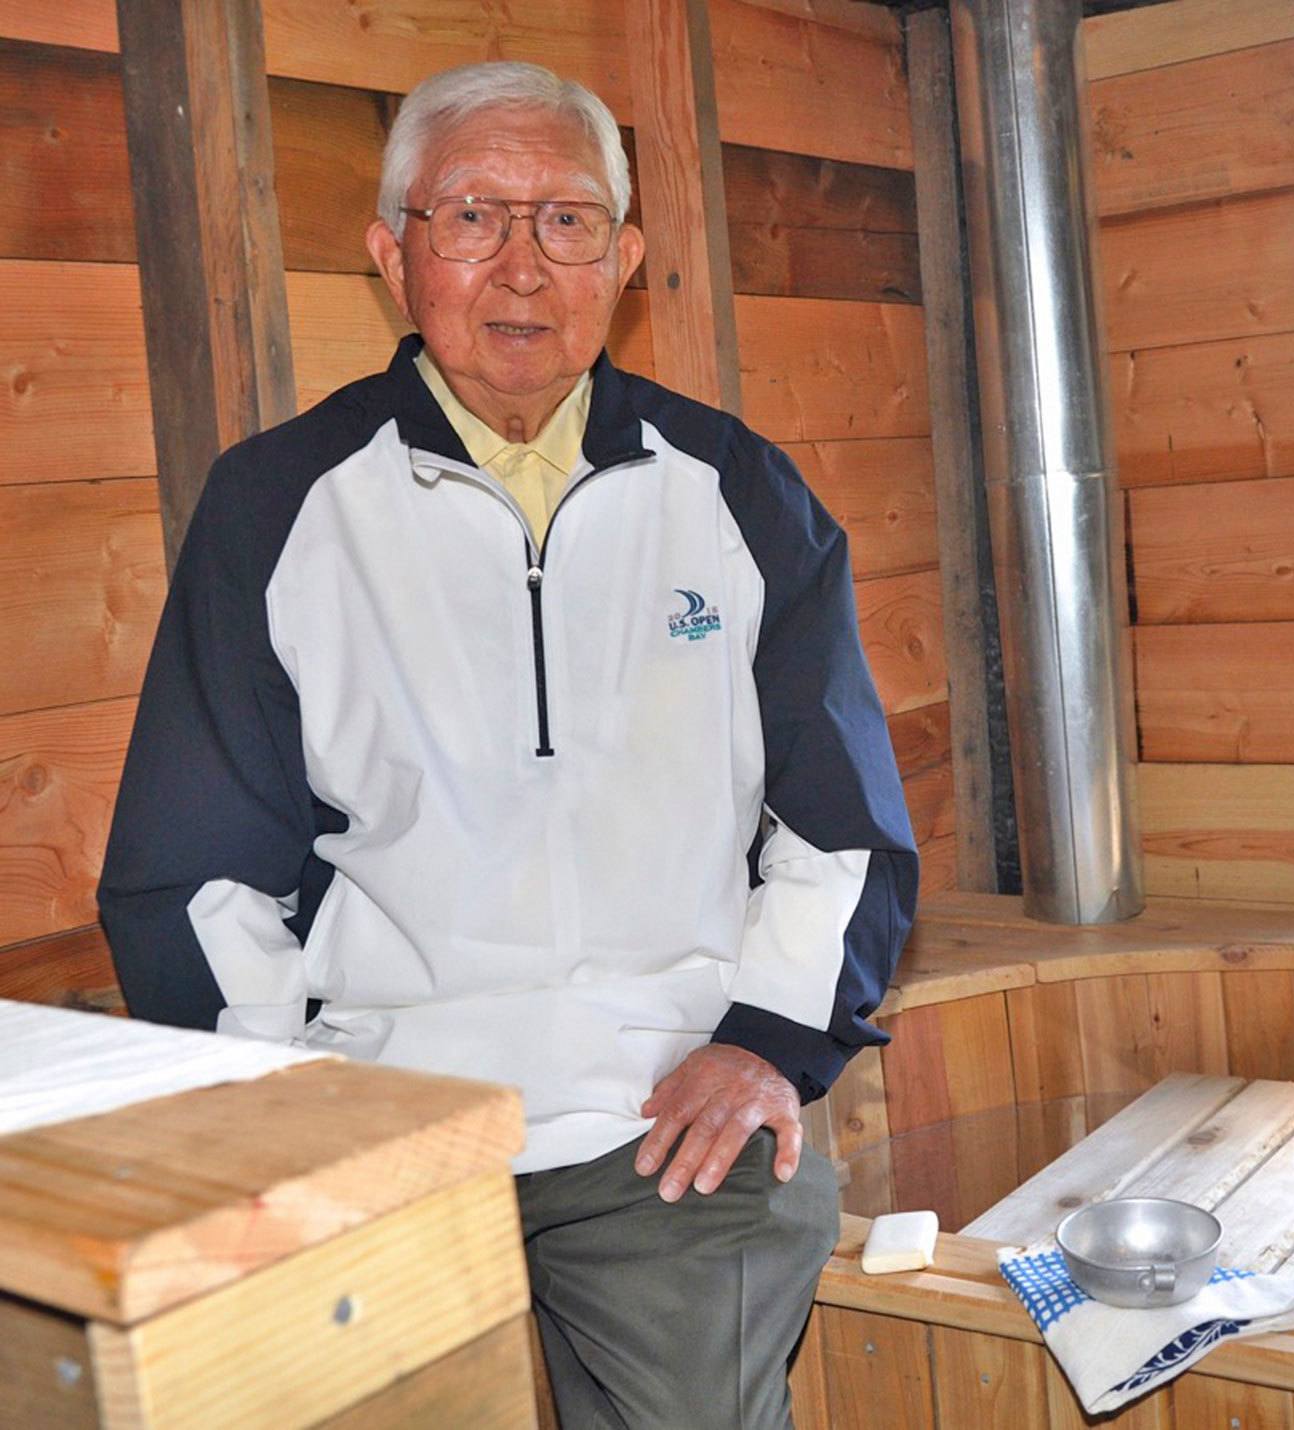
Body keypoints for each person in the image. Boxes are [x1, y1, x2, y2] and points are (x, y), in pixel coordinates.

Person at [96, 61, 918, 1429]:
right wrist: (292, 1111)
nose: (524, 265)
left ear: (628, 257)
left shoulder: (738, 492)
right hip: (384, 1109)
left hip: (664, 1108)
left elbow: (841, 821)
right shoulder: (277, 507)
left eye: (569, 219)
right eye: (473, 214)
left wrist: (766, 1037)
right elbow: (191, 872)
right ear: (391, 253)